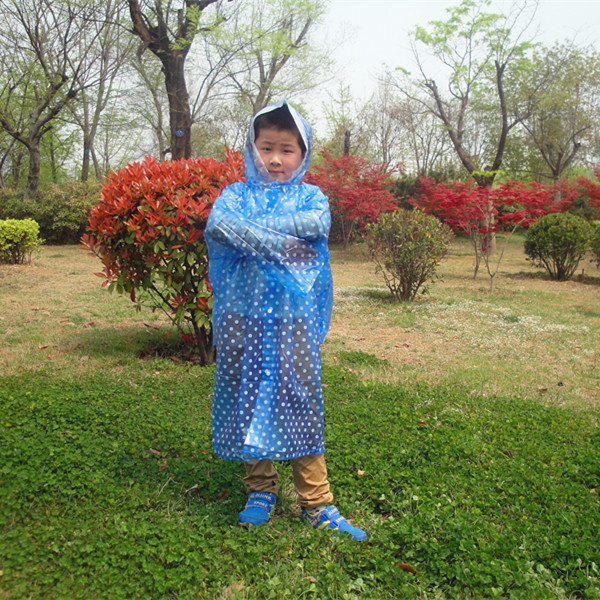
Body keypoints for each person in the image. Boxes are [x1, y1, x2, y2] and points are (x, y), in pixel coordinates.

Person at [205, 100, 366, 541]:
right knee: (246, 394)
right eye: (266, 147)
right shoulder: (234, 195)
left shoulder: (313, 197)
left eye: (287, 149)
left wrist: (252, 232)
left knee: (300, 401)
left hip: (292, 321)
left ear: (303, 153)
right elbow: (219, 226)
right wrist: (280, 239)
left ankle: (316, 503)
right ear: (250, 148)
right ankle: (259, 490)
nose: (275, 159)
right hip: (243, 317)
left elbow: (313, 227)